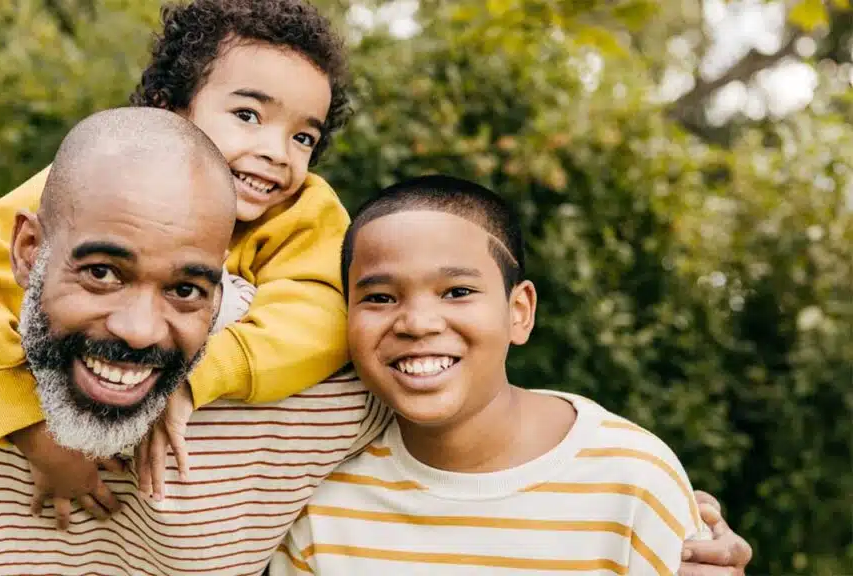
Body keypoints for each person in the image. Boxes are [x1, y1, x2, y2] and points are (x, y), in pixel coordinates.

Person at [0, 107, 385, 575]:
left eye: (186, 289)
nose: (138, 330)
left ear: (219, 290)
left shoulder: (316, 400)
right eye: (101, 273)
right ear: (27, 251)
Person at [0, 0, 355, 520]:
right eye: (247, 115)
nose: (278, 152)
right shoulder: (98, 182)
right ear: (168, 107)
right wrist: (32, 431)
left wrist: (195, 378)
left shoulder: (303, 211)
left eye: (302, 136)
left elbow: (325, 311)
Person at [272, 175, 754, 575]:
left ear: (519, 311)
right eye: (379, 298)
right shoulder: (319, 495)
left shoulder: (632, 479)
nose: (417, 323)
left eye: (457, 291)